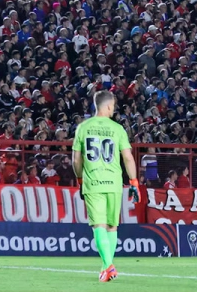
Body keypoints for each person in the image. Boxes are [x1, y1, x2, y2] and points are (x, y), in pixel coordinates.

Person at [71, 90, 139, 283]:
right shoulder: (118, 129)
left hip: (93, 182)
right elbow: (127, 157)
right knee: (112, 226)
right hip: (114, 183)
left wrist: (80, 178)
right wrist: (134, 182)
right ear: (108, 106)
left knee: (99, 225)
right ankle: (106, 268)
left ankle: (108, 266)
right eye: (113, 107)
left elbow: (76, 159)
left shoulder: (83, 127)